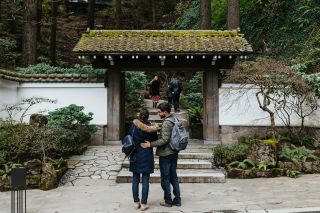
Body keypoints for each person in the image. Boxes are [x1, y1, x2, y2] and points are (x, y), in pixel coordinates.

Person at [140, 102, 181, 207]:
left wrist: (151, 144)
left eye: (159, 112)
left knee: (165, 178)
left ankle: (168, 201)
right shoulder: (175, 119)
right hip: (174, 152)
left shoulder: (167, 122)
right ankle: (177, 199)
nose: (158, 113)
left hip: (166, 154)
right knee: (174, 177)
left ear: (165, 112)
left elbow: (164, 140)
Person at [128, 108, 158, 211]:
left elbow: (129, 137)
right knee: (145, 179)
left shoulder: (134, 126)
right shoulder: (151, 127)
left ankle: (136, 203)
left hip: (135, 154)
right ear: (148, 116)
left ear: (139, 116)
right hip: (146, 153)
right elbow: (155, 139)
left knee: (135, 179)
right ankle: (144, 204)